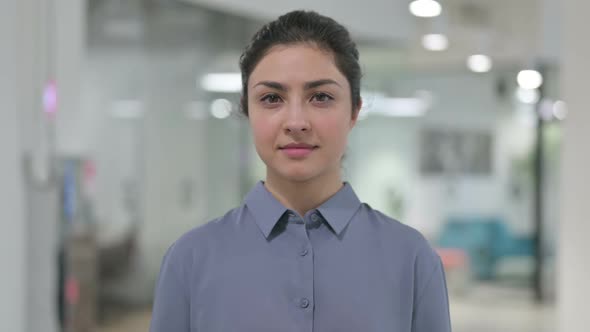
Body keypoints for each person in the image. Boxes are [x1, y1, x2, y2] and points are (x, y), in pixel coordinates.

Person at [150, 10, 451, 332]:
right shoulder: (191, 259)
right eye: (271, 98)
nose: (296, 122)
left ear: (354, 111)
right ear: (247, 112)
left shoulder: (411, 258)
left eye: (321, 97)